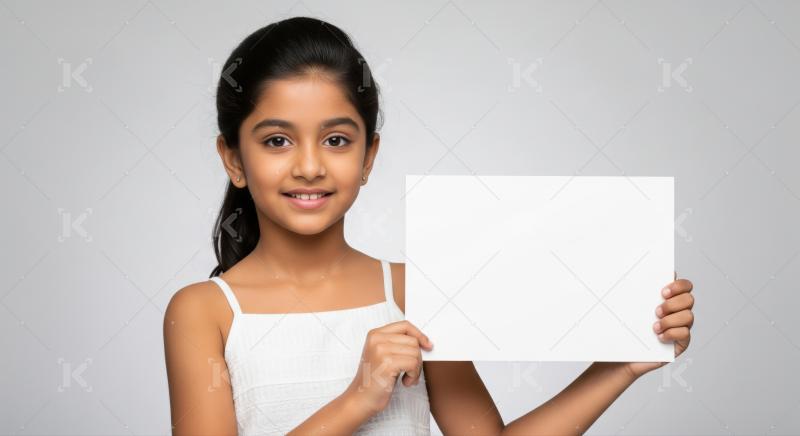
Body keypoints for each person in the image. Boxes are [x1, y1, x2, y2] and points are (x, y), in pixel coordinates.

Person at [163, 16, 695, 435]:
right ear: (233, 158)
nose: (309, 165)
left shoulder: (417, 291)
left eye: (337, 139)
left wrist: (622, 364)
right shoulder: (203, 311)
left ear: (369, 157)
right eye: (277, 140)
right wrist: (358, 399)